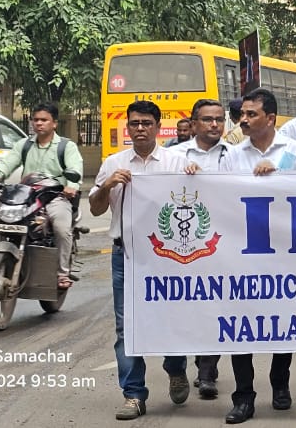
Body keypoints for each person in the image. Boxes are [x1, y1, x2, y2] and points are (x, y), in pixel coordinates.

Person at [89, 99, 198, 420]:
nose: (139, 129)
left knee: (171, 317)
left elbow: (198, 201)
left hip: (168, 257)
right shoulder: (113, 163)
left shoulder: (177, 162)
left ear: (156, 126)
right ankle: (134, 394)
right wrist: (106, 187)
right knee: (127, 326)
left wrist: (196, 176)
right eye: (134, 123)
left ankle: (176, 368)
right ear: (128, 126)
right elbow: (95, 208)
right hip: (127, 254)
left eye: (146, 124)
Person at [219, 88, 296, 424]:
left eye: (251, 114)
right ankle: (243, 396)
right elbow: (223, 199)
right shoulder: (232, 155)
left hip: (285, 250)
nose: (243, 119)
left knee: (281, 320)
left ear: (270, 118)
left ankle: (280, 382)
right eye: (242, 114)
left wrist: (279, 177)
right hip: (243, 252)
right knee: (240, 324)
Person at [0, 102, 84, 289]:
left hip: (56, 196)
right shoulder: (24, 145)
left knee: (62, 228)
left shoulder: (66, 147)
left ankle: (62, 273)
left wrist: (71, 185)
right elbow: (8, 163)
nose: (39, 123)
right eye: (36, 120)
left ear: (54, 123)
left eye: (44, 120)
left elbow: (74, 168)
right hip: (28, 196)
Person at [170, 98, 232, 400]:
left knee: (214, 307)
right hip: (182, 247)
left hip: (221, 245)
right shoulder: (173, 157)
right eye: (207, 119)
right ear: (194, 124)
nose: (214, 125)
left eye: (219, 119)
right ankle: (180, 366)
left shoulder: (234, 156)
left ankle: (206, 372)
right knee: (184, 309)